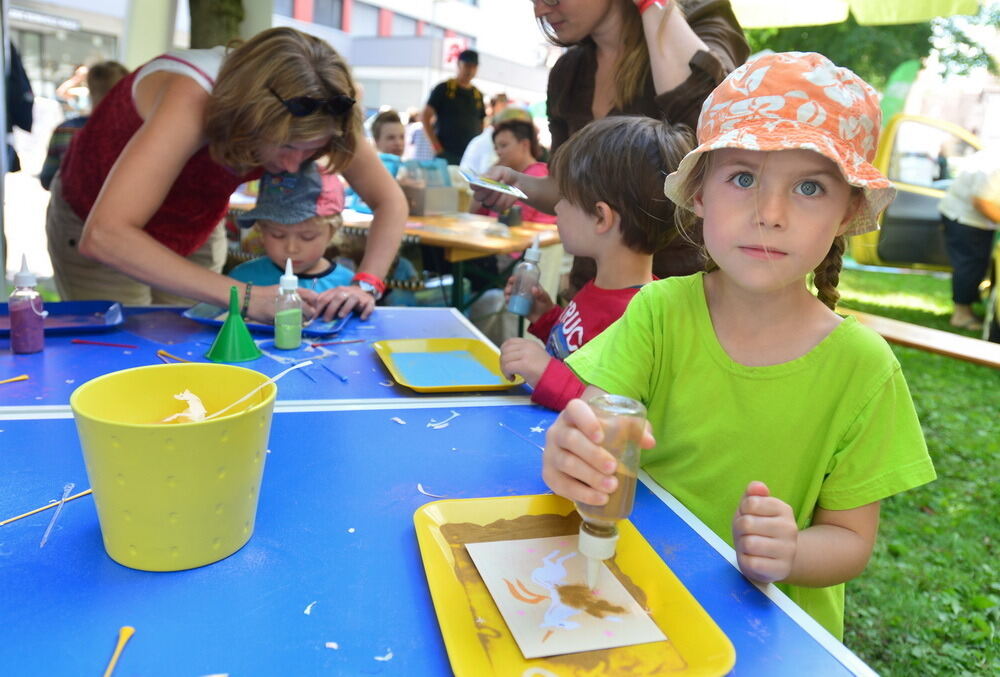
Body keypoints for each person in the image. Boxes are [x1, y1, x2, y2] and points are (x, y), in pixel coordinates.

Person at [540, 53, 937, 640]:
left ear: (848, 210)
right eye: (743, 178)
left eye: (809, 186)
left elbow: (851, 541)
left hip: (765, 629)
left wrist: (792, 551)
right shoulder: (657, 312)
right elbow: (595, 430)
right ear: (699, 193)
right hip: (630, 596)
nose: (769, 215)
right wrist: (570, 456)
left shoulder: (863, 368)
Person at [45, 27, 406, 321]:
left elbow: (389, 201)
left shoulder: (320, 106)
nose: (295, 166)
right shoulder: (193, 96)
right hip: (95, 215)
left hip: (193, 222)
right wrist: (247, 297)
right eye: (285, 148)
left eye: (311, 151)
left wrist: (366, 284)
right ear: (248, 119)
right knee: (123, 352)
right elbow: (106, 235)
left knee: (192, 347)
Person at [473, 0, 749, 296]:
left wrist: (651, 6)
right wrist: (519, 184)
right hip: (596, 289)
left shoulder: (700, 15)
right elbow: (568, 189)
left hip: (684, 293)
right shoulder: (569, 71)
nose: (541, 11)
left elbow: (708, 119)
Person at [500, 116, 692, 410]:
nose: (556, 207)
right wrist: (546, 315)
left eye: (565, 197)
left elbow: (609, 407)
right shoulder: (604, 286)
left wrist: (544, 372)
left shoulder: (637, 315)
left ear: (601, 217)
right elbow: (574, 348)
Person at [229, 164, 362, 307]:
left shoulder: (348, 286)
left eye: (307, 237)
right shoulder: (242, 279)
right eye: (277, 235)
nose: (291, 249)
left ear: (332, 232)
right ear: (261, 229)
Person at [40, 61, 129, 190]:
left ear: (90, 88)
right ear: (125, 90)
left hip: (68, 207)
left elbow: (47, 179)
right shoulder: (131, 133)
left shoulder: (65, 130)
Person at [938, 148, 1000, 331]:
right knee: (970, 265)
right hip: (965, 219)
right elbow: (981, 201)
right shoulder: (995, 164)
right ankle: (961, 315)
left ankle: (968, 307)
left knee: (976, 265)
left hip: (971, 219)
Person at [470, 115, 557, 225]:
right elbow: (475, 214)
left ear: (525, 144)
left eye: (503, 145)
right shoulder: (505, 176)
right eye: (496, 147)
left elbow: (514, 222)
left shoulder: (537, 173)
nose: (499, 152)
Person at [422, 49, 485, 165]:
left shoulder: (478, 95)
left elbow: (481, 125)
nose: (470, 70)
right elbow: (425, 117)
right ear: (458, 65)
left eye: (473, 67)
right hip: (446, 154)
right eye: (467, 65)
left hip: (470, 157)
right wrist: (436, 147)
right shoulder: (443, 89)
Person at [460, 92, 509, 173]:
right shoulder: (488, 140)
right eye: (502, 106)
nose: (504, 110)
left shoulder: (488, 138)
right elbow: (486, 171)